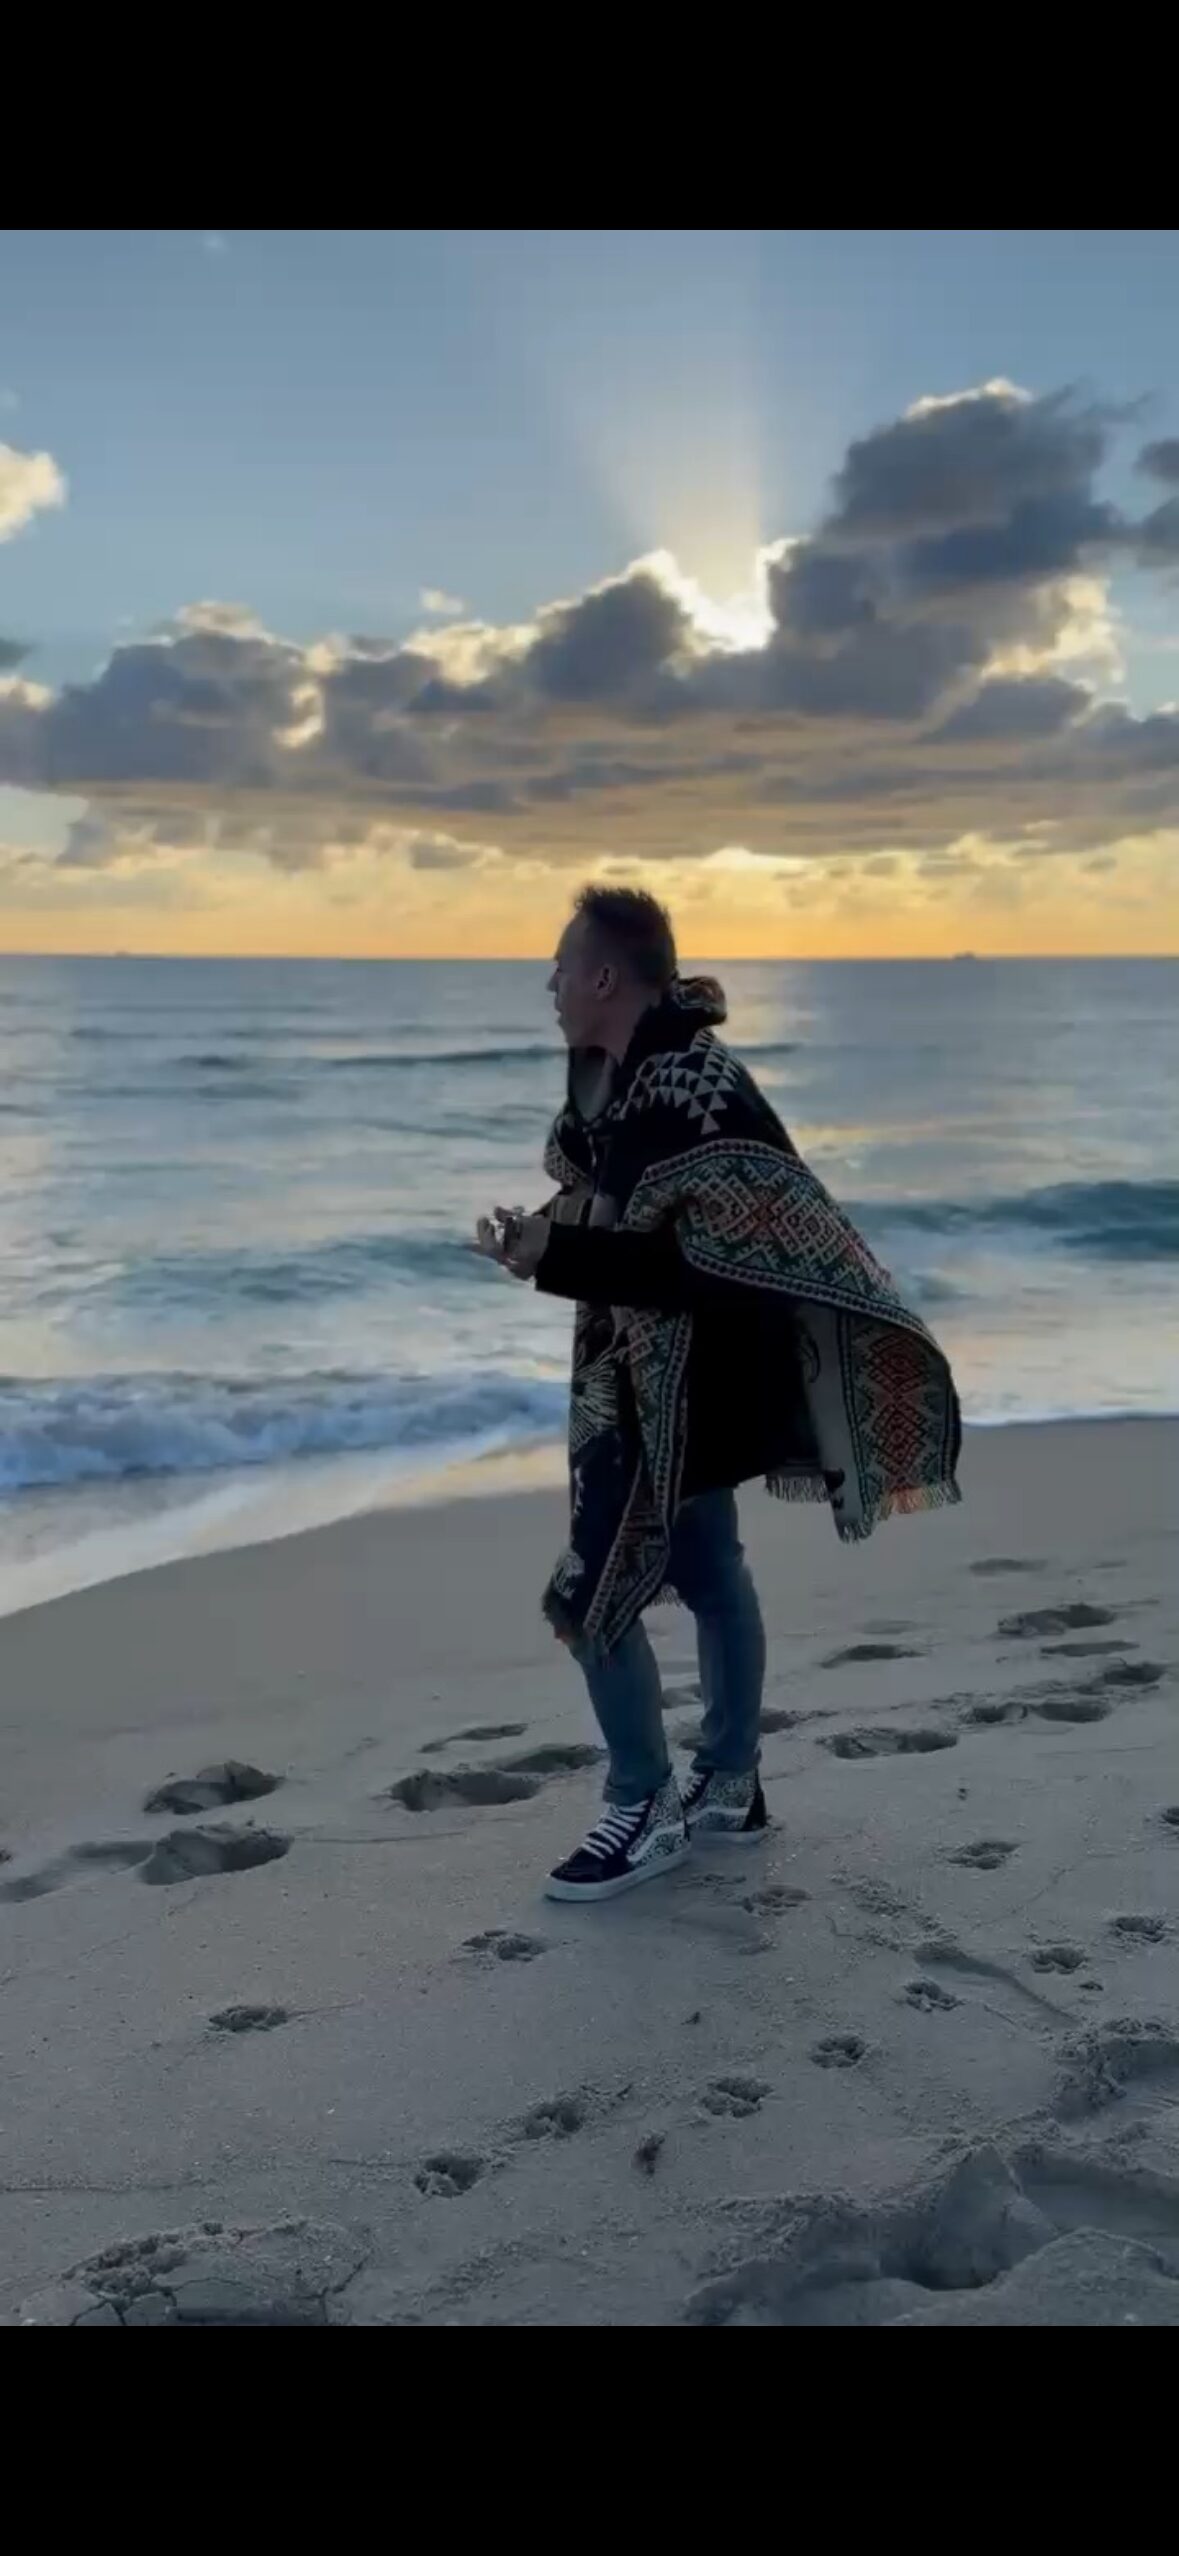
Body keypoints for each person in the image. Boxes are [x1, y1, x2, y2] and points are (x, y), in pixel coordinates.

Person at [476, 887, 960, 1904]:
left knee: (587, 1593)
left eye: (561, 966)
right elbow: (621, 1213)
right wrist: (544, 1235)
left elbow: (701, 1262)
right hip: (643, 1375)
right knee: (706, 1564)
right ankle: (731, 1785)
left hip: (687, 1384)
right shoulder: (614, 1075)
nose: (550, 985)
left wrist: (558, 1252)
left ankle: (644, 1801)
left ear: (605, 976)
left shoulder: (693, 1081)